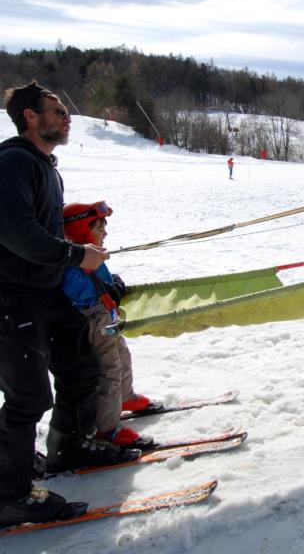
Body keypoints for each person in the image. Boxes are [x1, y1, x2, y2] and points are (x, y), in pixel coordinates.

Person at [0, 82, 138, 529]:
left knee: (81, 368)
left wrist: (81, 263)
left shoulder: (45, 165)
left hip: (48, 290)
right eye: (55, 110)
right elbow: (17, 230)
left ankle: (68, 446)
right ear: (29, 117)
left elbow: (47, 229)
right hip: (11, 294)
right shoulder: (13, 161)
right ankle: (9, 495)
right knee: (27, 396)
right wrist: (78, 255)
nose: (66, 116)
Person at [62, 201, 159, 449]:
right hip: (96, 320)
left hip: (108, 318)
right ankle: (106, 428)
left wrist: (114, 284)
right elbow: (78, 291)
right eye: (99, 227)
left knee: (122, 355)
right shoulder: (73, 260)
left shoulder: (90, 252)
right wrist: (111, 291)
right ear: (82, 230)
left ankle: (125, 398)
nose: (105, 233)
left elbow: (103, 280)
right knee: (109, 370)